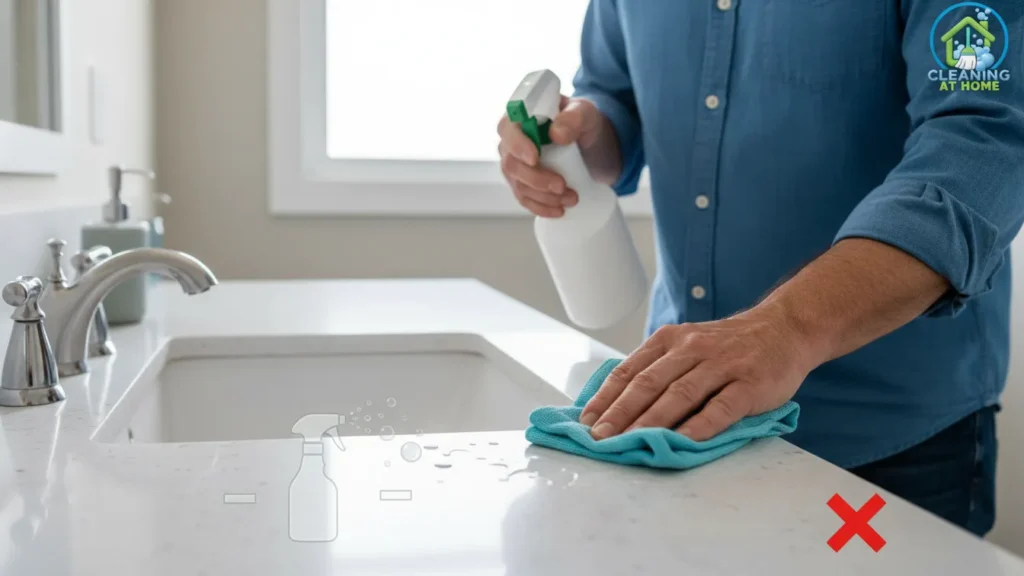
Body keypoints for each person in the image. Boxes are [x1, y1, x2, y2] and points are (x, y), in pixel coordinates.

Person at [497, 1, 1024, 537]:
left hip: (892, 435)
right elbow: (615, 94)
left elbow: (984, 143)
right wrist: (586, 138)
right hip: (683, 425)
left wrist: (788, 328)